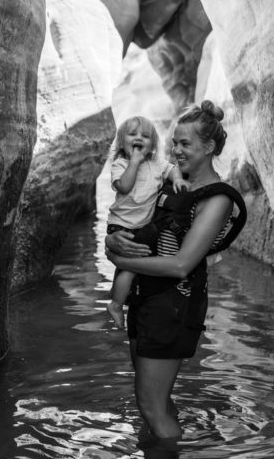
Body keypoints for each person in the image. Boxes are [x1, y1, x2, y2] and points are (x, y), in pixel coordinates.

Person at [105, 100, 247, 441]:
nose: (176, 151)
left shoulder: (218, 199)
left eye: (185, 144)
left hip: (174, 306)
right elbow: (130, 221)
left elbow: (182, 263)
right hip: (145, 299)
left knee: (149, 403)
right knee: (153, 401)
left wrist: (122, 261)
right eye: (174, 143)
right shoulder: (170, 183)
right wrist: (113, 245)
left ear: (209, 147)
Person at [106, 115, 184, 329]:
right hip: (121, 224)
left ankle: (118, 295)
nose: (139, 138)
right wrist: (134, 162)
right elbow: (124, 187)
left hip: (142, 225)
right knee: (131, 267)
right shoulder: (121, 164)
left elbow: (172, 169)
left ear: (153, 145)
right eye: (132, 134)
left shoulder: (158, 164)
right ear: (122, 143)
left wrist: (177, 179)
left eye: (145, 136)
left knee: (130, 267)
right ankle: (116, 304)